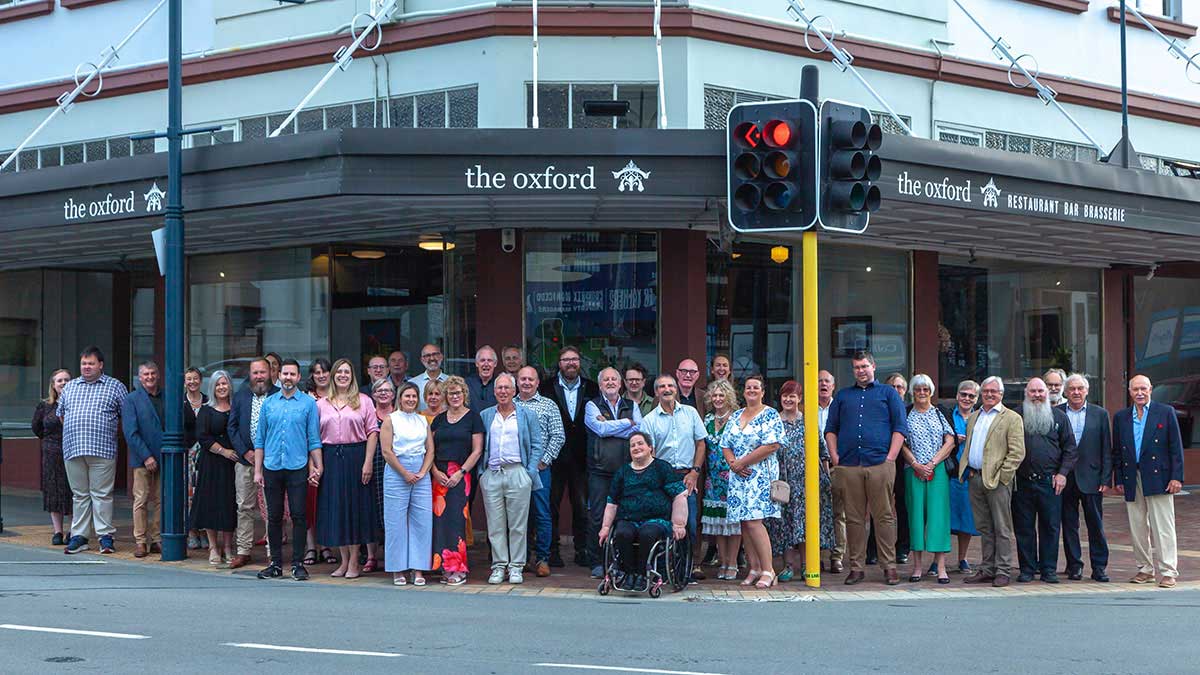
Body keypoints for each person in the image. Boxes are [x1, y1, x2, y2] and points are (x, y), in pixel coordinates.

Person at [824, 352, 908, 585]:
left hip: (880, 463)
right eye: (856, 367)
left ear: (873, 366)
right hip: (849, 465)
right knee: (853, 519)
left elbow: (900, 428)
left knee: (884, 517)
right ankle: (857, 567)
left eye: (864, 366)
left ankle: (889, 567)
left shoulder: (888, 393)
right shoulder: (843, 396)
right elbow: (830, 429)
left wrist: (890, 458)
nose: (860, 371)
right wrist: (835, 456)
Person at [253, 359, 323, 581]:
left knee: (298, 516)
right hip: (272, 465)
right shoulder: (269, 403)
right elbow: (260, 439)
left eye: (293, 374)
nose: (288, 378)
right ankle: (275, 563)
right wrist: (257, 470)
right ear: (279, 376)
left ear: (298, 377)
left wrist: (318, 465)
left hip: (298, 466)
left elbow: (313, 438)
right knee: (273, 517)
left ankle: (297, 564)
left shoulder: (308, 404)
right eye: (285, 374)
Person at [1113, 375, 1184, 589]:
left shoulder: (1165, 412)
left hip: (1159, 477)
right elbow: (1117, 451)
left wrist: (1176, 477)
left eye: (1143, 388)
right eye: (1136, 389)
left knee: (1163, 526)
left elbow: (1175, 447)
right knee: (1137, 526)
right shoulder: (1121, 417)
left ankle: (1168, 571)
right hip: (1132, 476)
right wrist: (1119, 477)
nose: (1140, 393)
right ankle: (1145, 569)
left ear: (1151, 389)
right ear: (1130, 392)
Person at [598, 431, 689, 591]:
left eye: (640, 443)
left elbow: (680, 495)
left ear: (650, 448)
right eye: (632, 445)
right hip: (628, 518)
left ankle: (641, 574)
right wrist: (605, 528)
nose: (636, 447)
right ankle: (628, 574)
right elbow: (612, 502)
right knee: (622, 534)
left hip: (656, 519)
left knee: (647, 533)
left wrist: (679, 524)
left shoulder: (661, 467)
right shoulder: (623, 471)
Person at [59, 347, 127, 555]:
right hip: (74, 449)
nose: (86, 367)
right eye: (83, 364)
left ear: (101, 365)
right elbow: (61, 415)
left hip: (102, 449)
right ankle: (79, 536)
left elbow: (126, 416)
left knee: (101, 495)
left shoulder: (115, 386)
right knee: (79, 495)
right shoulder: (70, 387)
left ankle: (105, 537)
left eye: (91, 363)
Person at [316, 358, 380, 578]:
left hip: (356, 456)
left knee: (355, 510)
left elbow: (373, 432)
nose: (343, 375)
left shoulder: (364, 401)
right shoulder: (322, 404)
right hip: (331, 457)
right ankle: (343, 561)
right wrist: (317, 465)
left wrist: (368, 461)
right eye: (339, 372)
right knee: (337, 510)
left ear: (352, 376)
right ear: (333, 375)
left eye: (347, 372)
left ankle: (354, 561)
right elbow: (314, 437)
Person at [959, 376, 1025, 588]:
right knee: (984, 527)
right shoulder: (975, 416)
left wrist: (1003, 477)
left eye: (993, 391)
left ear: (1001, 394)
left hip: (997, 481)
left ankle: (1003, 570)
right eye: (986, 391)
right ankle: (987, 568)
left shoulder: (1011, 418)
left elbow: (1017, 452)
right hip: (975, 478)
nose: (989, 394)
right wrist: (967, 470)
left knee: (1002, 527)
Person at [479, 373, 544, 584]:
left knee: (518, 525)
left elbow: (536, 445)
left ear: (514, 391)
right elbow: (479, 447)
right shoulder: (486, 415)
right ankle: (498, 566)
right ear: (494, 391)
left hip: (518, 472)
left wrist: (529, 473)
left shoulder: (527, 415)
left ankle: (516, 566)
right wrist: (482, 474)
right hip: (493, 473)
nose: (503, 391)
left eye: (507, 388)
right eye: (499, 388)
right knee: (495, 524)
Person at [641, 373, 706, 582]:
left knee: (690, 525)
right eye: (662, 387)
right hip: (661, 477)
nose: (667, 389)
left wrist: (695, 472)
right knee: (663, 524)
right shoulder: (648, 420)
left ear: (676, 389)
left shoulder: (691, 413)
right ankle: (662, 569)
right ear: (656, 392)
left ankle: (685, 569)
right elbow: (647, 453)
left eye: (670, 386)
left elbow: (701, 443)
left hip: (687, 476)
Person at [720, 374, 783, 589]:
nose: (752, 390)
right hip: (738, 476)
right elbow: (725, 443)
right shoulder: (736, 415)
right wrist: (732, 463)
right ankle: (754, 568)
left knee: (755, 521)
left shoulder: (770, 414)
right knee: (745, 524)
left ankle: (769, 569)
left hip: (760, 476)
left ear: (763, 392)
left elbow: (772, 445)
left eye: (756, 387)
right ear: (743, 391)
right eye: (748, 387)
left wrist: (742, 462)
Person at [767, 380, 833, 583]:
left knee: (805, 524)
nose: (788, 399)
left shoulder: (808, 421)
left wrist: (826, 476)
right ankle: (788, 566)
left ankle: (807, 564)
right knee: (785, 525)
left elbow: (822, 452)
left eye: (792, 396)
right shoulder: (774, 421)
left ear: (800, 398)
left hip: (807, 481)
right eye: (785, 396)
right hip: (784, 480)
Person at [1012, 378, 1077, 584]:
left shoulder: (1059, 417)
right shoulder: (1016, 416)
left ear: (1047, 393)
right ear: (1026, 393)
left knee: (1050, 527)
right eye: (1033, 391)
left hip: (1051, 483)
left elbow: (1070, 449)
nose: (1037, 395)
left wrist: (1062, 474)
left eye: (1041, 391)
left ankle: (1049, 569)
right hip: (1022, 482)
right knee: (1024, 528)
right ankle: (1027, 569)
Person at [541, 345, 598, 568]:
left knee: (581, 506)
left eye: (574, 359)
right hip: (553, 457)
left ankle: (582, 549)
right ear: (559, 363)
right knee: (551, 505)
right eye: (566, 360)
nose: (570, 363)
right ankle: (552, 550)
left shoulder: (592, 388)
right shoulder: (546, 387)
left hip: (582, 456)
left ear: (580, 362)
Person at [584, 367, 643, 578]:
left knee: (623, 516)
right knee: (598, 516)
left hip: (626, 470)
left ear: (621, 384)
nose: (610, 382)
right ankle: (597, 561)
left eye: (613, 379)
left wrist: (611, 425)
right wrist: (626, 423)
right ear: (600, 385)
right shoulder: (592, 405)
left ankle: (619, 562)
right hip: (599, 471)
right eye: (605, 380)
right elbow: (599, 430)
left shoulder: (632, 405)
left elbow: (638, 431)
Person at [900, 374, 956, 584]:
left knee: (938, 517)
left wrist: (932, 463)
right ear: (912, 392)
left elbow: (950, 441)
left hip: (937, 470)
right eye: (917, 389)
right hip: (912, 470)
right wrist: (916, 464)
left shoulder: (940, 412)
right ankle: (917, 567)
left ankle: (941, 567)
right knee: (915, 517)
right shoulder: (906, 413)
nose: (921, 393)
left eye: (925, 389)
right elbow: (901, 443)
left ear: (931, 391)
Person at [1057, 373, 1112, 582]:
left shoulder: (1100, 414)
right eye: (1072, 389)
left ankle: (1099, 567)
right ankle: (1074, 566)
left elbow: (1106, 448)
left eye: (1080, 388)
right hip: (1066, 479)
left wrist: (1106, 479)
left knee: (1095, 525)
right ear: (1065, 392)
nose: (1076, 392)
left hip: (1092, 478)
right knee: (1069, 525)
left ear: (1087, 391)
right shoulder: (1057, 412)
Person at [430, 376, 483, 585]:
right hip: (439, 475)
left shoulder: (473, 418)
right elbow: (430, 449)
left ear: (464, 395)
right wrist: (434, 471)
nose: (454, 396)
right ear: (446, 396)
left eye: (458, 393)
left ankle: (458, 568)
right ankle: (443, 566)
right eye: (451, 393)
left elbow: (477, 450)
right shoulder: (439, 419)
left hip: (461, 474)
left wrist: (461, 472)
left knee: (457, 521)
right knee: (439, 521)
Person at [380, 382, 435, 586]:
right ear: (399, 398)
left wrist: (422, 471)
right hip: (397, 471)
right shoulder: (390, 420)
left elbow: (430, 449)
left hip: (421, 472)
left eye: (413, 396)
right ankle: (397, 569)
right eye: (407, 396)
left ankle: (418, 569)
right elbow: (386, 451)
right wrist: (404, 473)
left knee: (421, 521)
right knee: (396, 522)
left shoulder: (422, 421)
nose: (410, 400)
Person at [226, 357, 277, 569]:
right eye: (255, 373)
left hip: (271, 462)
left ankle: (272, 553)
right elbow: (232, 427)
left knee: (271, 509)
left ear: (270, 373)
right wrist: (244, 451)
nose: (259, 377)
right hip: (245, 461)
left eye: (262, 372)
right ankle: (243, 551)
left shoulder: (278, 396)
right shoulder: (241, 396)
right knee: (244, 507)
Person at [515, 366, 566, 577]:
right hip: (515, 469)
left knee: (542, 513)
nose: (526, 382)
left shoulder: (548, 405)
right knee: (519, 516)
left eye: (531, 379)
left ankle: (542, 558)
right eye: (523, 379)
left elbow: (558, 435)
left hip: (539, 469)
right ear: (517, 382)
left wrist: (544, 461)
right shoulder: (510, 404)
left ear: (537, 383)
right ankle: (523, 558)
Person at [192, 370, 238, 567]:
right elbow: (203, 437)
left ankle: (228, 547)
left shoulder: (236, 408)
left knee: (229, 505)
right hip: (212, 462)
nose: (221, 387)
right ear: (212, 387)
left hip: (233, 464)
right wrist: (223, 452)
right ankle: (213, 547)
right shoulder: (206, 410)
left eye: (224, 384)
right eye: (218, 384)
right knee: (211, 505)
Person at [122, 361, 166, 558]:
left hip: (164, 457)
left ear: (158, 375)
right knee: (140, 501)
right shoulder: (132, 399)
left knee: (160, 501)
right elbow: (130, 433)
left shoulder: (167, 396)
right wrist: (146, 456)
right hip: (141, 459)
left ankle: (157, 539)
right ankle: (140, 541)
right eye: (146, 374)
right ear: (139, 378)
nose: (150, 377)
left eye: (153, 373)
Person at [701, 379, 742, 580]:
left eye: (721, 395)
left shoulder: (736, 418)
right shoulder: (707, 420)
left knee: (733, 524)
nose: (717, 399)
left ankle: (733, 563)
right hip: (713, 478)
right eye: (715, 395)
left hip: (733, 476)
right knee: (718, 524)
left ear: (729, 397)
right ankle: (723, 561)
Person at [940, 380, 980, 575]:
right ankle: (938, 561)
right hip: (948, 473)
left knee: (966, 519)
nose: (967, 398)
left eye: (971, 396)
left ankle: (962, 558)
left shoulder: (981, 417)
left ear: (976, 399)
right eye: (963, 394)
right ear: (957, 396)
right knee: (942, 519)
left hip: (969, 475)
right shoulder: (946, 414)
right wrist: (953, 438)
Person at [872, 371, 911, 566]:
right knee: (877, 507)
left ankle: (903, 548)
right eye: (892, 387)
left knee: (903, 507)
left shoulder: (910, 411)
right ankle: (873, 549)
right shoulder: (877, 409)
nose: (896, 391)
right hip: (880, 461)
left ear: (905, 391)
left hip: (904, 464)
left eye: (900, 387)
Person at [32, 369, 72, 546]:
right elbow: (36, 427)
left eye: (66, 380)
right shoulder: (44, 406)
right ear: (53, 385)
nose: (63, 383)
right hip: (51, 453)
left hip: (72, 451)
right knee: (53, 491)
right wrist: (49, 441)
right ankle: (57, 531)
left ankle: (73, 530)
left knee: (72, 491)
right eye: (59, 380)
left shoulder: (77, 402)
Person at [301, 358, 331, 562]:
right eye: (317, 372)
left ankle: (326, 545)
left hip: (331, 452)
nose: (321, 375)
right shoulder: (306, 398)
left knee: (327, 502)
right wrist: (312, 462)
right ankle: (311, 546)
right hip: (308, 454)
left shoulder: (337, 396)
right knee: (309, 501)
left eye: (325, 371)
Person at [817, 369, 847, 574]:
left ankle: (837, 556)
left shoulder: (842, 408)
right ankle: (815, 556)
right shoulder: (805, 409)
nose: (823, 384)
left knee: (839, 514)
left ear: (833, 385)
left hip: (837, 466)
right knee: (814, 514)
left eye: (827, 381)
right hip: (814, 468)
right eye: (819, 381)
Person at [369, 377, 397, 560]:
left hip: (395, 467)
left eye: (387, 390)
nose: (383, 394)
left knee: (392, 509)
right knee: (372, 508)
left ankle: (392, 553)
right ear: (373, 395)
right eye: (379, 391)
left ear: (394, 395)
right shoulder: (368, 414)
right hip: (373, 465)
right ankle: (371, 556)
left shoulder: (400, 415)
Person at [184, 367, 208, 551]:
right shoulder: (181, 402)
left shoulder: (208, 401)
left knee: (205, 493)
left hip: (207, 455)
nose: (192, 382)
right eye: (188, 379)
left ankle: (205, 532)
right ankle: (192, 531)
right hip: (188, 455)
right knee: (190, 495)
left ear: (200, 380)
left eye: (195, 378)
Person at [409, 343, 449, 411]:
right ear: (422, 360)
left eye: (435, 354)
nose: (432, 358)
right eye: (427, 355)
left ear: (441, 357)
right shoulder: (412, 383)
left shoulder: (450, 382)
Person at [466, 345, 498, 410]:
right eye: (482, 360)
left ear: (495, 363)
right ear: (476, 363)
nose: (486, 364)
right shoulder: (467, 384)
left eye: (489, 360)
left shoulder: (500, 384)